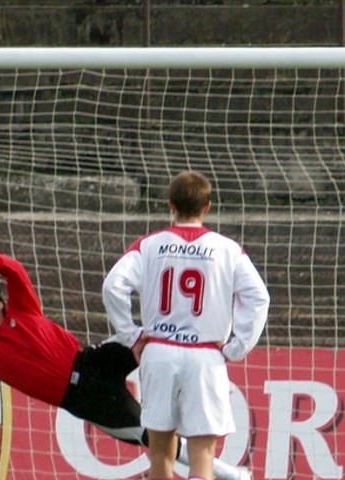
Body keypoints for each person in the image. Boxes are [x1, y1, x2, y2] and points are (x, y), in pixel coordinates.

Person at [0, 242, 251, 480]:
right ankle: (226, 474)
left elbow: (14, 270)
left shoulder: (25, 310)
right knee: (151, 438)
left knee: (151, 338)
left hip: (93, 361)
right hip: (83, 397)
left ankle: (204, 347)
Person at [102, 170, 270, 480]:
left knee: (161, 454)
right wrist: (237, 346)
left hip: (159, 353)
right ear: (207, 206)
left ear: (171, 205)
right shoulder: (228, 249)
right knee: (202, 457)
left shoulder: (149, 245)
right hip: (206, 356)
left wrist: (132, 335)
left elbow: (113, 286)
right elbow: (259, 298)